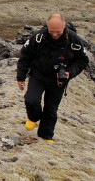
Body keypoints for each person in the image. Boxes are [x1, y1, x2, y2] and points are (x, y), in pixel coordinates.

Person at [17, 14, 89, 143]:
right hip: (38, 74)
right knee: (31, 100)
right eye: (51, 31)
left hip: (58, 80)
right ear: (47, 27)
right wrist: (20, 77)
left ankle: (46, 136)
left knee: (51, 109)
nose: (55, 34)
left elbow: (82, 60)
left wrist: (69, 73)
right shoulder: (38, 37)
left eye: (58, 32)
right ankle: (33, 118)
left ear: (64, 26)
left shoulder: (73, 40)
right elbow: (25, 55)